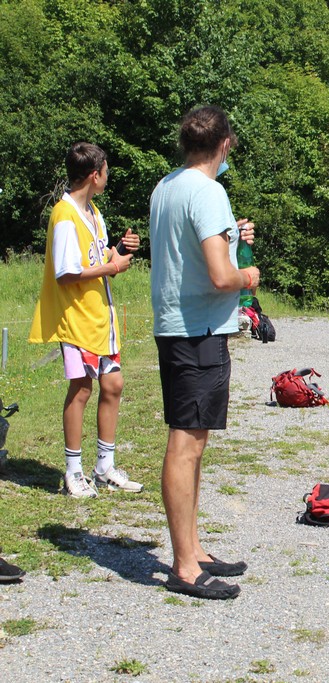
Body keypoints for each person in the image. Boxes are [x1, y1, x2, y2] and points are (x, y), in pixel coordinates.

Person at [149, 105, 259, 600]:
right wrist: (248, 275)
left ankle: (192, 549)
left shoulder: (167, 185)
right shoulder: (209, 191)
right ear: (225, 143)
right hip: (198, 330)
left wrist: (232, 236)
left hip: (176, 326)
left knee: (193, 438)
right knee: (186, 443)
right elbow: (219, 276)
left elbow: (186, 252)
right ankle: (184, 567)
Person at [29, 142, 143, 499]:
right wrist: (112, 268)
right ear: (95, 175)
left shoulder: (92, 211)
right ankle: (73, 472)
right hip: (76, 318)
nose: (107, 177)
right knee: (81, 389)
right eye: (106, 171)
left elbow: (98, 256)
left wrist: (119, 251)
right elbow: (66, 273)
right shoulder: (65, 215)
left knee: (113, 385)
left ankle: (104, 468)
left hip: (100, 318)